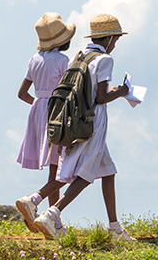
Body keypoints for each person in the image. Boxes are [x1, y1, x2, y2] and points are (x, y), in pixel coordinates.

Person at [32, 13, 136, 242]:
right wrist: (123, 91)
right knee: (86, 174)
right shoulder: (105, 60)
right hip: (94, 121)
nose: (116, 44)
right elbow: (100, 97)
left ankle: (114, 226)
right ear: (108, 38)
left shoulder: (79, 57)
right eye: (115, 39)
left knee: (108, 171)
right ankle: (53, 212)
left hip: (77, 119)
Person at [14, 12, 75, 232]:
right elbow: (69, 91)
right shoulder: (62, 61)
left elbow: (22, 93)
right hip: (56, 112)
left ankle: (54, 221)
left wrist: (39, 104)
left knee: (54, 167)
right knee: (62, 167)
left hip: (38, 111)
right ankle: (38, 204)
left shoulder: (35, 59)